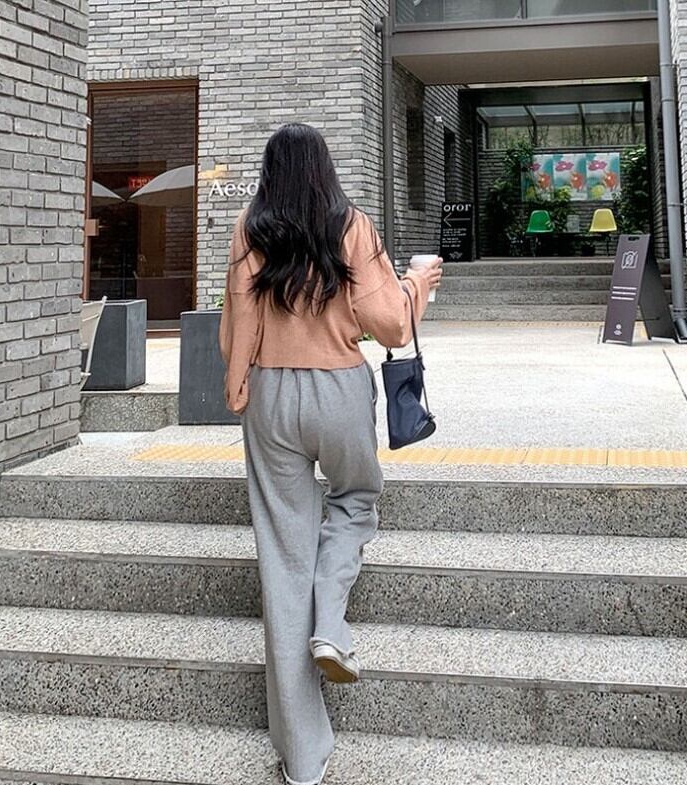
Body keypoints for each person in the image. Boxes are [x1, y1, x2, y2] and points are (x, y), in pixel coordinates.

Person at [219, 123, 441, 785]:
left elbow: (238, 321)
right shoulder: (351, 225)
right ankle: (330, 623)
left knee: (282, 555)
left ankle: (303, 757)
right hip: (339, 389)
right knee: (355, 498)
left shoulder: (250, 228)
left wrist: (238, 385)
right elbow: (391, 325)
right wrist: (417, 281)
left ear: (271, 171)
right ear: (324, 169)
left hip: (270, 393)